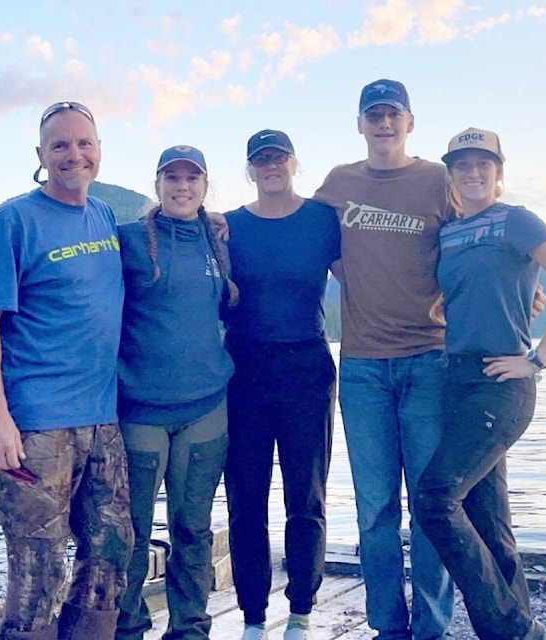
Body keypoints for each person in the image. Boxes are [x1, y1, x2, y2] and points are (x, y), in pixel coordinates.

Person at [415, 128, 546, 640]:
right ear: (451, 174)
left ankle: (510, 629)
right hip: (456, 377)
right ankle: (517, 627)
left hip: (503, 381)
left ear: (499, 171)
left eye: (483, 164)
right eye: (463, 165)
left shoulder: (516, 220)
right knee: (486, 517)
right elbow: (455, 296)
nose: (473, 173)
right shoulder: (448, 232)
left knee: (434, 498)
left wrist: (538, 359)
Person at [0, 100, 133, 640]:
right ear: (40, 155)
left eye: (84, 143)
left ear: (100, 151)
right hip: (36, 427)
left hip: (102, 421)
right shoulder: (12, 222)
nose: (73, 154)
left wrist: (210, 221)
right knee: (39, 572)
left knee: (111, 553)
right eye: (59, 145)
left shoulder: (104, 216)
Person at [312, 79, 457, 640]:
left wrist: (519, 279)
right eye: (374, 115)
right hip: (364, 366)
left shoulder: (438, 179)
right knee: (375, 509)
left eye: (393, 114)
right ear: (360, 124)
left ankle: (432, 627)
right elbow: (302, 229)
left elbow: (480, 227)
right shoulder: (339, 183)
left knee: (428, 504)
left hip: (429, 358)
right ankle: (387, 628)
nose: (384, 124)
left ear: (410, 122)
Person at [223, 130, 341, 640]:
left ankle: (301, 612)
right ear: (250, 169)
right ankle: (252, 617)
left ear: (294, 163)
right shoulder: (226, 226)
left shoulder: (322, 219)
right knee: (245, 500)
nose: (270, 166)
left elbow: (378, 269)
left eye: (278, 158)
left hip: (306, 368)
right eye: (260, 160)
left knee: (306, 496)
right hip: (243, 371)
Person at [115, 145, 237, 640]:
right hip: (140, 410)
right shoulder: (127, 241)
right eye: (172, 177)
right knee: (131, 533)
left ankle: (190, 628)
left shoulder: (219, 241)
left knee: (193, 528)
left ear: (205, 186)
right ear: (157, 184)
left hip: (206, 408)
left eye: (192, 178)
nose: (181, 186)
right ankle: (128, 627)